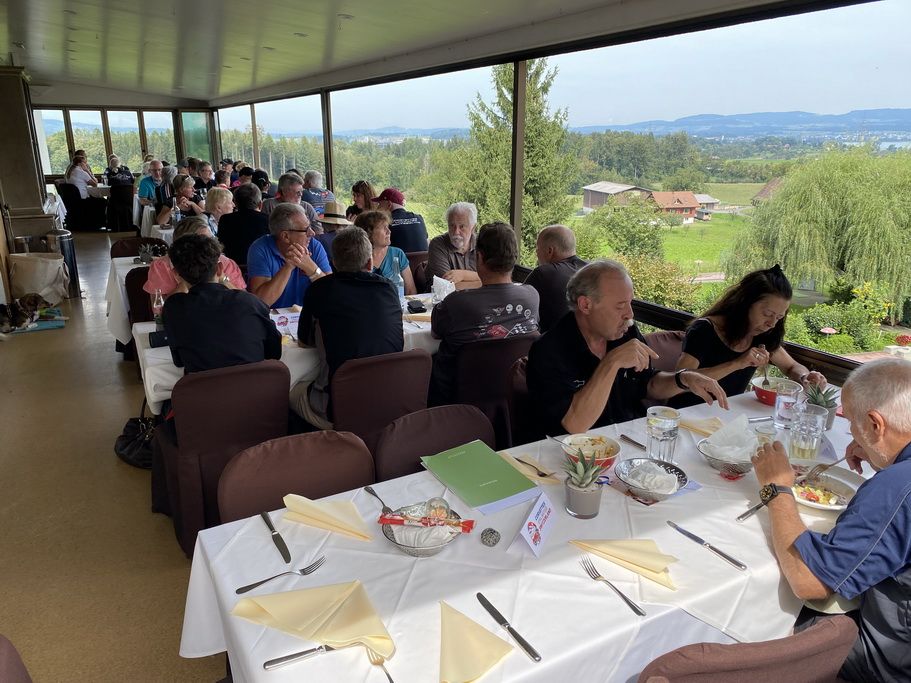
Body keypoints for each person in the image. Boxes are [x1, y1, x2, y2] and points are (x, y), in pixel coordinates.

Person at [752, 357, 911, 682]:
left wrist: (776, 488)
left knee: (767, 617)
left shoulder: (896, 488)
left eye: (851, 422)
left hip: (888, 664)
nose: (850, 432)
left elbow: (810, 583)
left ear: (876, 424)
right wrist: (882, 454)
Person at [526, 260, 727, 435]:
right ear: (586, 305)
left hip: (629, 439)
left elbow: (649, 384)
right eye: (620, 305)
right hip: (575, 454)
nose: (630, 314)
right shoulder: (549, 350)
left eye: (630, 303)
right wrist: (611, 362)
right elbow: (575, 424)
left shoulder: (625, 332)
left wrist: (682, 378)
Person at [289, 227, 404, 428]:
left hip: (339, 408)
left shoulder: (320, 290)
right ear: (369, 263)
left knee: (291, 391)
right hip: (392, 400)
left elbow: (305, 343)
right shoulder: (389, 288)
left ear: (334, 263)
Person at [672, 265, 827, 408]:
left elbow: (791, 367)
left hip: (727, 413)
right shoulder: (705, 329)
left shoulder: (762, 334)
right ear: (745, 303)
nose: (772, 324)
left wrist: (805, 377)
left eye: (779, 317)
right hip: (687, 413)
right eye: (767, 314)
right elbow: (679, 379)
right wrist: (737, 363)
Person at [429, 222, 539, 404]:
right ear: (514, 257)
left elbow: (435, 333)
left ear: (479, 257)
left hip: (458, 399)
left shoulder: (456, 303)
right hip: (513, 395)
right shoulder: (532, 296)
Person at [162, 233, 281, 374]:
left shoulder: (173, 308)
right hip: (256, 386)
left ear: (176, 274)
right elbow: (274, 352)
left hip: (203, 387)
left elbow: (179, 361)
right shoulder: (250, 302)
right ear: (220, 268)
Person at [247, 202, 331, 308]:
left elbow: (331, 294)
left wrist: (311, 267)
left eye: (310, 227)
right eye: (306, 230)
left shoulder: (314, 246)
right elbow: (261, 302)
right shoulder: (261, 249)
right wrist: (288, 266)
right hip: (272, 316)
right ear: (285, 236)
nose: (312, 233)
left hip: (308, 315)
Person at [143, 215, 244, 298]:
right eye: (203, 242)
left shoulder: (225, 263)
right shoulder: (161, 266)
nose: (210, 245)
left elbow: (244, 300)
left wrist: (223, 279)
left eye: (211, 239)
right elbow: (159, 309)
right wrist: (185, 280)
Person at [524, 224, 587, 331]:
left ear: (550, 251)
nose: (536, 254)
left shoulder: (542, 274)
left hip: (555, 340)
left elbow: (519, 307)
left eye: (537, 249)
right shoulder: (592, 271)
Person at [354, 210, 416, 295]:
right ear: (368, 232)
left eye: (388, 227)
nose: (389, 231)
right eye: (383, 228)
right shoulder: (356, 257)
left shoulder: (397, 254)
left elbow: (411, 291)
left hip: (396, 302)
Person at [426, 202, 481, 289]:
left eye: (462, 226)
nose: (456, 232)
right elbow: (445, 287)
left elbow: (497, 277)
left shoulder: (483, 243)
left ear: (473, 228)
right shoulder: (438, 244)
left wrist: (463, 275)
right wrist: (483, 282)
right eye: (452, 226)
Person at [217, 183, 269, 266]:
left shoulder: (225, 220)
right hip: (260, 267)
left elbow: (221, 244)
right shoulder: (268, 220)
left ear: (236, 203)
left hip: (232, 267)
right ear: (260, 204)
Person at [372, 187, 428, 253]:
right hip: (423, 259)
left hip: (398, 259)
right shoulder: (419, 218)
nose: (377, 208)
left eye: (379, 204)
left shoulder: (384, 223)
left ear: (389, 204)